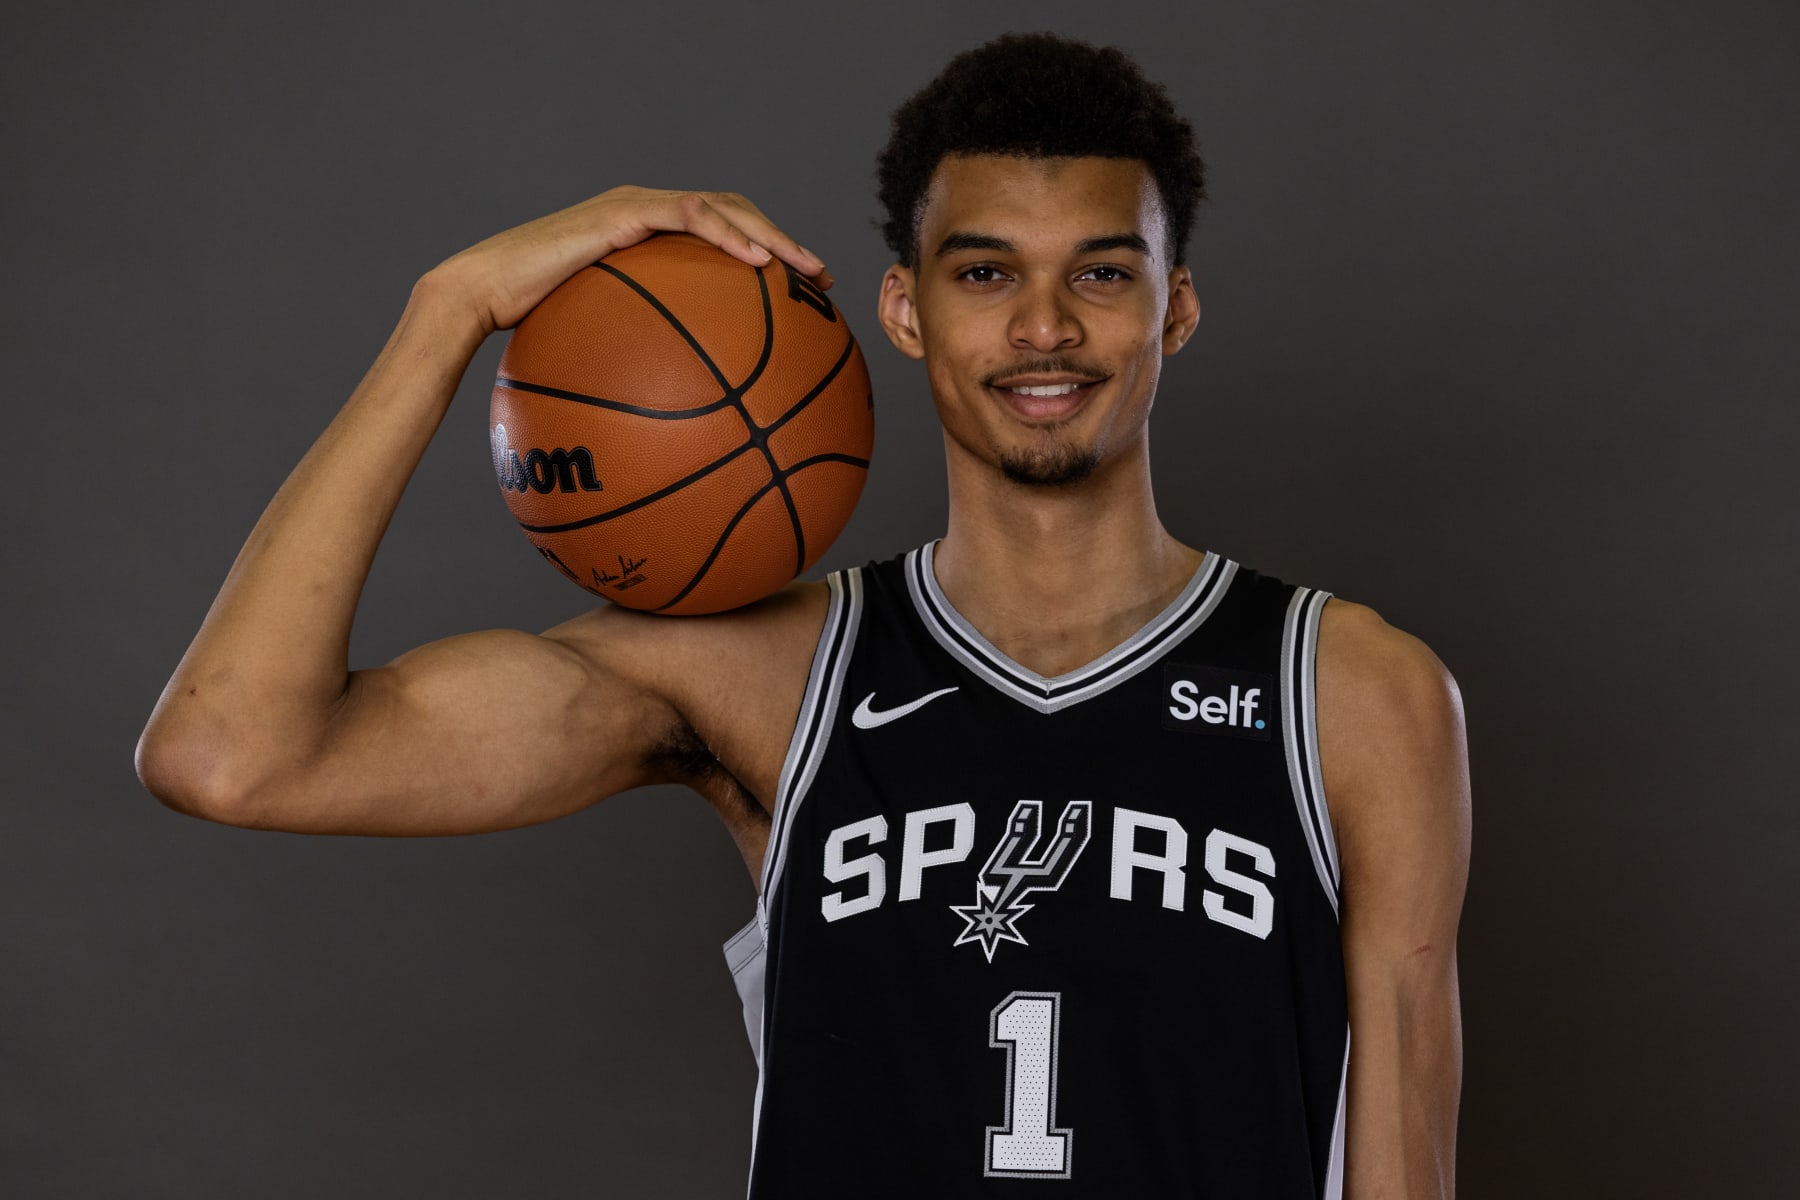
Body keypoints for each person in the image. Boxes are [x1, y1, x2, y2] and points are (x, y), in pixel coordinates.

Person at [138, 32, 1469, 1199]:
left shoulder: (1349, 691)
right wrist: (451, 312)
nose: (1047, 327)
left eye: (1105, 275)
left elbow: (1400, 1161)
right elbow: (231, 750)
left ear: (1174, 307)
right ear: (905, 306)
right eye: (987, 273)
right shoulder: (767, 674)